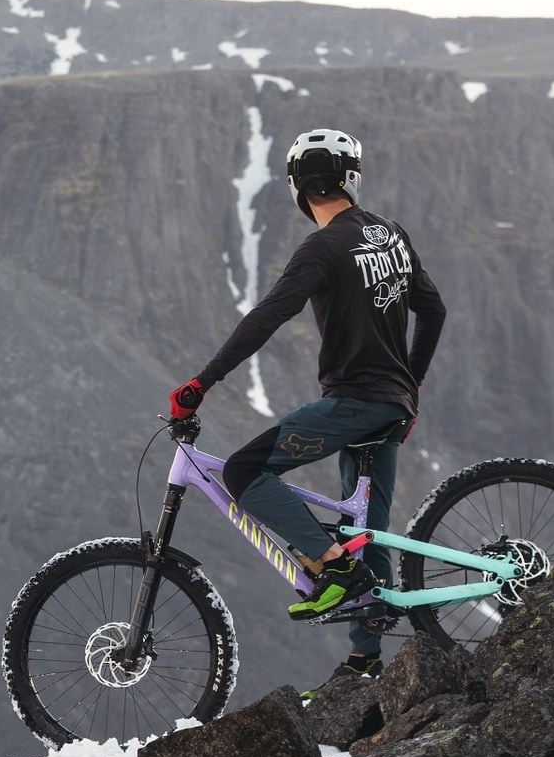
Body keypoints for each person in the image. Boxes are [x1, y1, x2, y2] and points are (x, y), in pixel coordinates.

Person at [165, 129, 445, 680]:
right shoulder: (390, 233)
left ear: (297, 188)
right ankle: (365, 659)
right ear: (350, 179)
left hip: (355, 403)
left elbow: (268, 317)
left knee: (244, 471)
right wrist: (408, 391)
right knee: (368, 529)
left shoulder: (322, 248)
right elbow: (432, 311)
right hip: (389, 405)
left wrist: (202, 383)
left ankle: (333, 569)